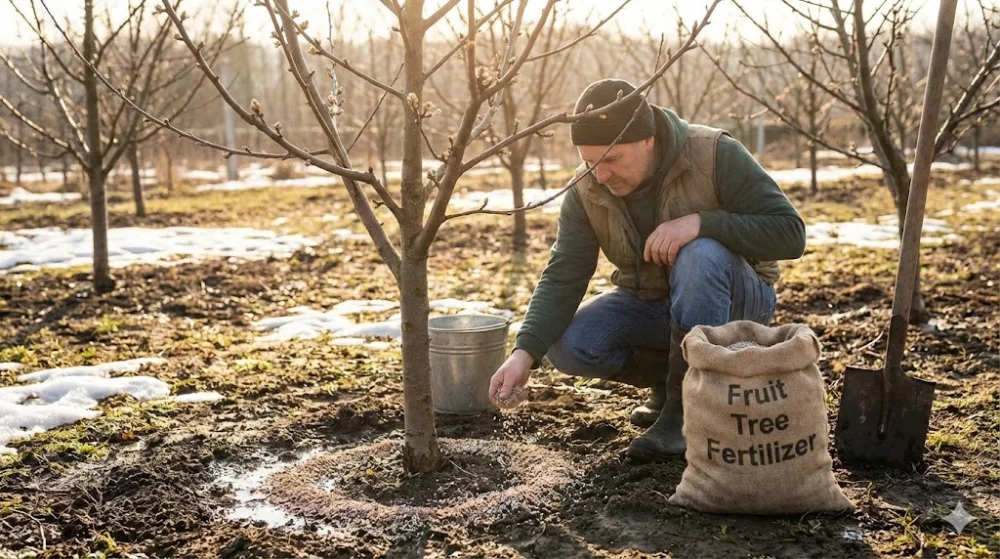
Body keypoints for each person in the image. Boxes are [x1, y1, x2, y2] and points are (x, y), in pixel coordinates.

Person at [488, 78, 807, 463]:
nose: (600, 175)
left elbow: (791, 234)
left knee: (700, 253)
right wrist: (524, 353)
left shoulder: (714, 153)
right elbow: (564, 273)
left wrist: (703, 223)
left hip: (736, 305)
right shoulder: (587, 188)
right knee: (569, 343)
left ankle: (689, 412)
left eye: (611, 160)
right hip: (656, 303)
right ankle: (669, 385)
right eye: (590, 162)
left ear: (648, 140)